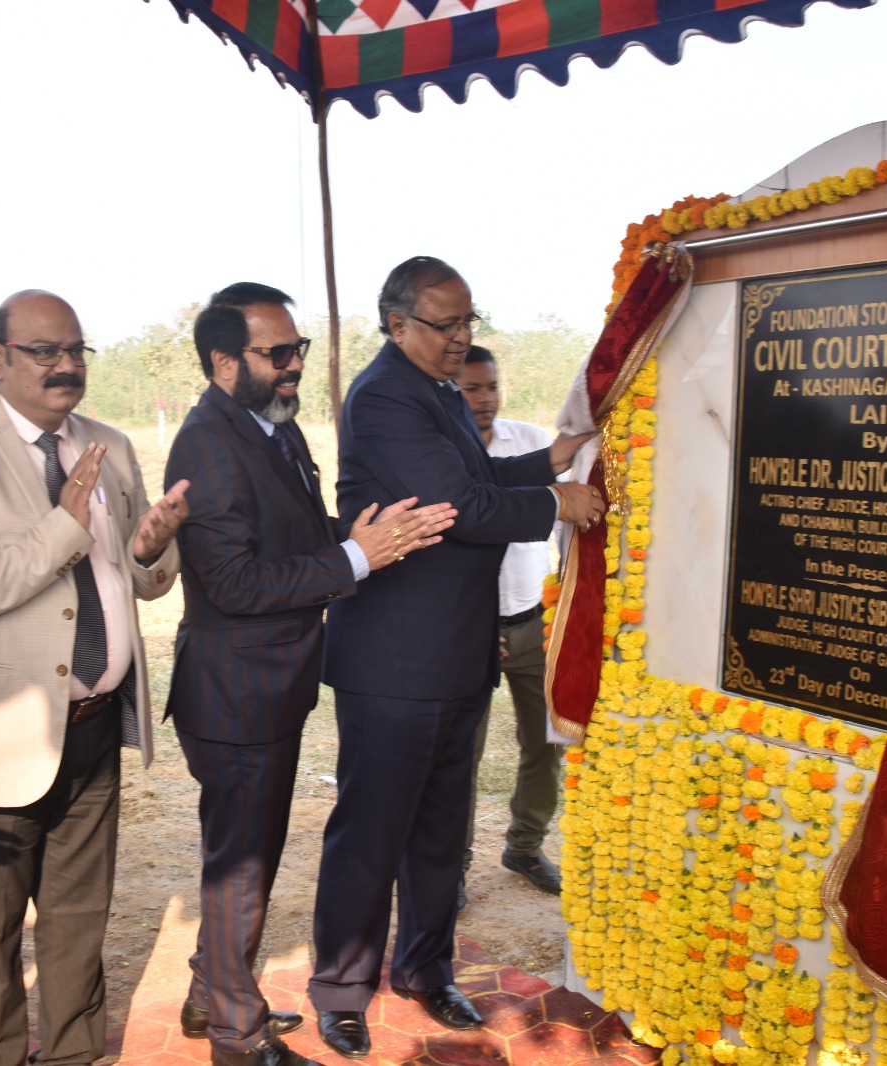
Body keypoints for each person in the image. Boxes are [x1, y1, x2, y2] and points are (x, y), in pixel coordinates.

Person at [308, 257, 608, 1059]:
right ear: (397, 323)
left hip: (458, 652)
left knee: (441, 830)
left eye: (469, 322)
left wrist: (551, 456)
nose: (461, 339)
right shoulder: (383, 397)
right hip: (395, 661)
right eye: (446, 325)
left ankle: (425, 968)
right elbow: (459, 506)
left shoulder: (438, 391)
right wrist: (556, 501)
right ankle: (341, 990)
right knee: (372, 832)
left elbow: (476, 474)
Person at [163, 283, 456, 1066]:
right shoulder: (206, 443)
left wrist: (355, 535)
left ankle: (210, 996)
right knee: (239, 872)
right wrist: (357, 556)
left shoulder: (273, 427)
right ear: (225, 363)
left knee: (247, 859)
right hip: (233, 694)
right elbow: (235, 583)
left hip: (274, 687)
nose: (294, 364)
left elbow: (288, 537)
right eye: (278, 353)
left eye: (299, 348)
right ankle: (236, 1036)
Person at [0, 289, 189, 1066]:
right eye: (43, 351)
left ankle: (73, 1054)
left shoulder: (109, 444)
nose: (65, 366)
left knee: (79, 919)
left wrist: (151, 548)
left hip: (93, 725)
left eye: (75, 350)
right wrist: (62, 526)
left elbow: (140, 579)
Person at [457, 346, 564, 899]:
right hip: (468, 633)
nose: (486, 398)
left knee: (547, 741)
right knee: (461, 756)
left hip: (535, 624)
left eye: (492, 386)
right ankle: (452, 866)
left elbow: (565, 522)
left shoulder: (531, 443)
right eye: (472, 388)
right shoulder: (442, 454)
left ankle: (525, 846)